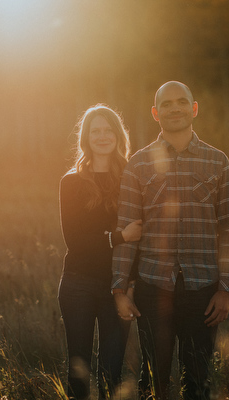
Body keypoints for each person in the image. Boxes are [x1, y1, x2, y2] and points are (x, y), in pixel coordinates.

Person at [111, 81, 229, 399]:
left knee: (198, 380)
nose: (175, 108)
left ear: (194, 109)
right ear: (156, 113)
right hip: (153, 288)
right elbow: (127, 231)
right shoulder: (138, 165)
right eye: (166, 104)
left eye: (182, 102)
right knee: (153, 381)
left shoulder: (218, 162)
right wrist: (119, 287)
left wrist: (225, 289)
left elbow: (228, 230)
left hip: (203, 289)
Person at [58, 104, 142, 400]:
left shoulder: (133, 179)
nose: (103, 136)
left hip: (117, 288)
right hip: (77, 285)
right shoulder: (71, 182)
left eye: (108, 130)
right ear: (86, 138)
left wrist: (129, 288)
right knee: (78, 370)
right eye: (96, 131)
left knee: (112, 371)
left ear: (118, 136)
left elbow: (139, 243)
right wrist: (120, 236)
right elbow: (76, 241)